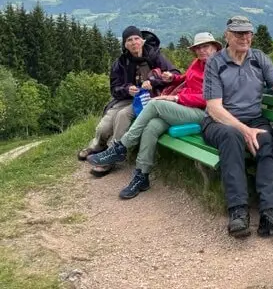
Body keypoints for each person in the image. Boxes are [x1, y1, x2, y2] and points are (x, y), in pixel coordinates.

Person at [202, 15, 273, 238]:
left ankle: (270, 212)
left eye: (248, 33)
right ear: (227, 35)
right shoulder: (215, 63)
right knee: (232, 137)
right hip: (220, 122)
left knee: (266, 140)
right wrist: (243, 129)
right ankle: (238, 211)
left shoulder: (259, 58)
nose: (245, 37)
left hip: (254, 120)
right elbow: (214, 108)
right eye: (238, 33)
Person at [87, 32, 222, 198]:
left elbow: (211, 99)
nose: (202, 51)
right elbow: (186, 79)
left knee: (155, 103)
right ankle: (142, 175)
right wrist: (172, 77)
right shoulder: (198, 63)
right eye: (198, 48)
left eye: (206, 46)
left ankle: (121, 147)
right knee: (152, 127)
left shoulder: (220, 68)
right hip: (184, 108)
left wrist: (176, 97)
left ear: (215, 47)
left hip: (204, 114)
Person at [77, 26, 179, 176]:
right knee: (104, 127)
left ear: (142, 41)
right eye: (129, 40)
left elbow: (175, 74)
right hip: (126, 99)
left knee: (123, 116)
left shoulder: (155, 56)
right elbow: (114, 89)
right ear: (125, 44)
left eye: (137, 38)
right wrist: (127, 89)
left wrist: (153, 80)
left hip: (149, 98)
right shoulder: (120, 63)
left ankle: (111, 156)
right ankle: (97, 146)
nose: (134, 42)